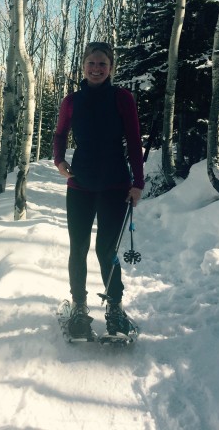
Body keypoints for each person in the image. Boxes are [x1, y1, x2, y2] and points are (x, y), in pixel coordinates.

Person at [53, 42, 144, 339]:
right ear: (83, 66)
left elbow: (133, 141)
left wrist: (137, 183)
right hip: (80, 185)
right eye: (92, 63)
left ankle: (114, 307)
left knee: (107, 250)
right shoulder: (72, 101)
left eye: (102, 64)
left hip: (115, 185)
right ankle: (79, 307)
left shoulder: (122, 99)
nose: (96, 68)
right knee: (77, 248)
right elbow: (59, 133)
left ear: (111, 68)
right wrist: (59, 161)